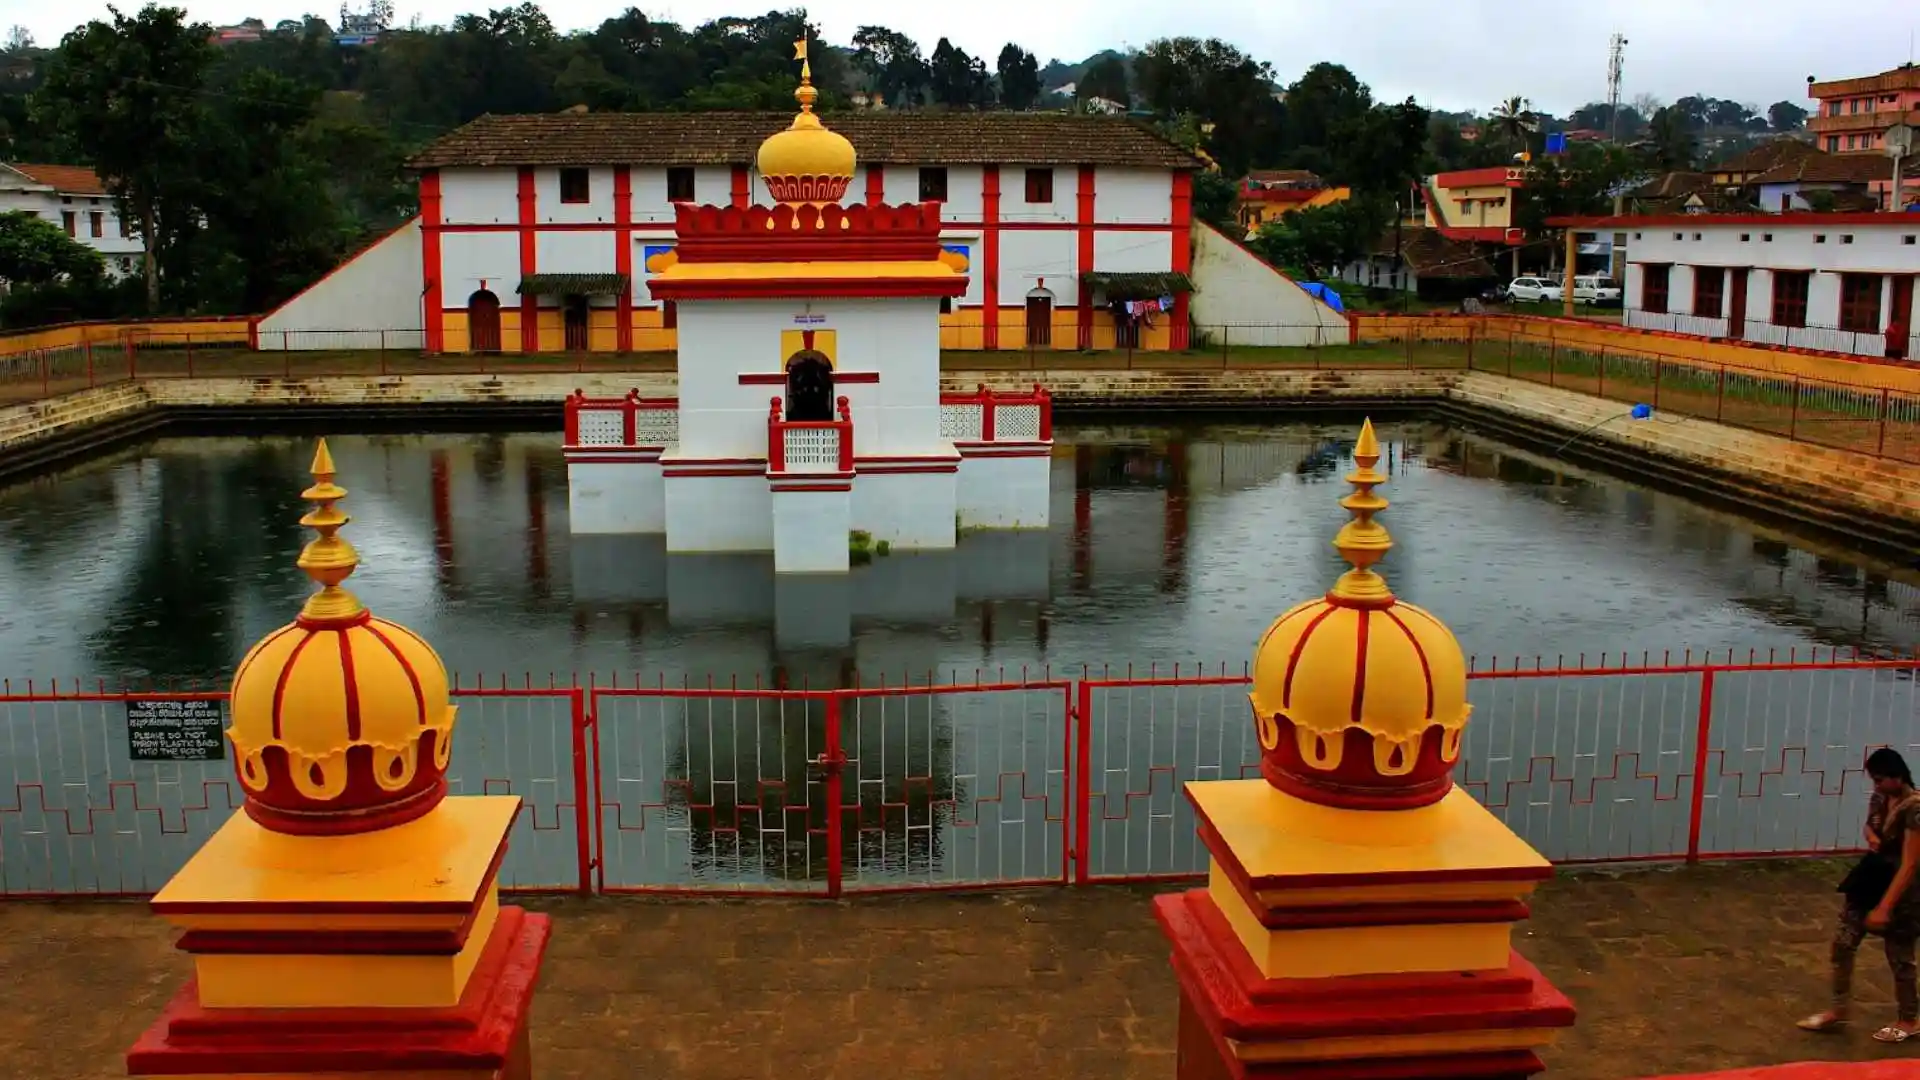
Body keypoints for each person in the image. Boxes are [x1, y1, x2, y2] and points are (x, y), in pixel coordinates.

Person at [1800, 747, 1920, 1042]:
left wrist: (1885, 908)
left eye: (1880, 780)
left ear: (1897, 777)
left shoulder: (1915, 809)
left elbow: (1910, 863)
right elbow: (1869, 826)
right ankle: (1838, 1011)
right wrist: (1872, 837)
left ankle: (1909, 1019)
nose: (1876, 786)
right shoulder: (1879, 799)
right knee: (1842, 944)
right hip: (1872, 878)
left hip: (1903, 888)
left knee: (1900, 957)